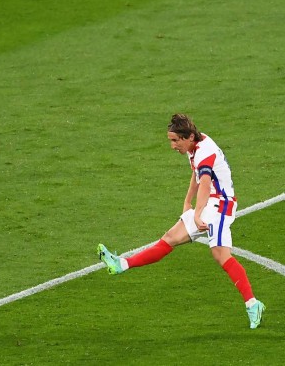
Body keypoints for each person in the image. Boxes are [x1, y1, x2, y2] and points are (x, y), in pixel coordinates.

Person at [97, 113, 265, 329]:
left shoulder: (205, 151)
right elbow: (196, 176)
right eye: (171, 140)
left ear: (189, 136)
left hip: (221, 204)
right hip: (210, 202)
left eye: (175, 140)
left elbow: (205, 182)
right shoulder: (194, 146)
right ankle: (121, 265)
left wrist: (197, 212)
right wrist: (187, 202)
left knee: (220, 254)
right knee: (171, 237)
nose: (172, 146)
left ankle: (253, 304)